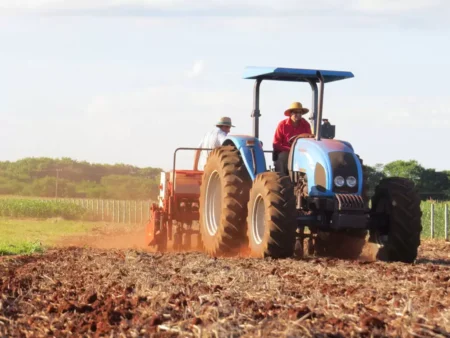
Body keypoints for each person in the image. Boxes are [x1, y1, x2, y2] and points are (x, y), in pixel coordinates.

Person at [273, 101, 312, 176]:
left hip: (301, 152)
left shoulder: (306, 125)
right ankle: (282, 179)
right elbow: (276, 144)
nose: (298, 115)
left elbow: (309, 140)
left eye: (300, 113)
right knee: (281, 158)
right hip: (286, 152)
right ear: (290, 113)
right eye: (295, 112)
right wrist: (291, 149)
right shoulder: (282, 125)